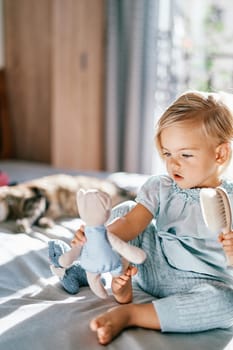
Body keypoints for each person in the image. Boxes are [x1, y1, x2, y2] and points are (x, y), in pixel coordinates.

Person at [72, 90, 233, 345]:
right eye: (167, 154)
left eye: (185, 155)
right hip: (151, 268)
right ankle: (114, 276)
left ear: (220, 154)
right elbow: (130, 224)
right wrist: (98, 236)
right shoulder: (160, 187)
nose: (173, 164)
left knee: (229, 305)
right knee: (125, 211)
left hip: (205, 284)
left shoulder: (229, 201)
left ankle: (132, 314)